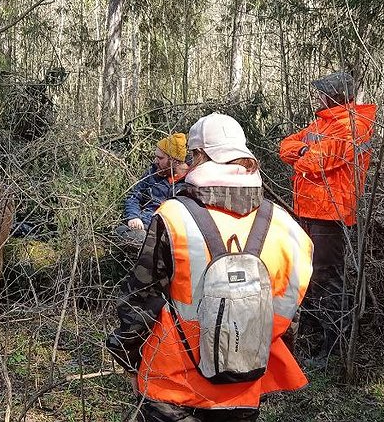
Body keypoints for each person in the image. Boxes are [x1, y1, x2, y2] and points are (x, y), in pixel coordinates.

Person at [107, 113, 313, 422]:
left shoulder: (174, 216)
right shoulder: (287, 228)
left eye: (191, 156)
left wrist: (123, 351)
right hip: (243, 387)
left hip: (171, 386)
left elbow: (140, 299)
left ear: (201, 155)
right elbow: (288, 318)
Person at [278, 71, 376, 356]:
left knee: (327, 278)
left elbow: (312, 162)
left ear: (333, 96)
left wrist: (305, 151)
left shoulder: (353, 126)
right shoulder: (324, 122)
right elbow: (285, 146)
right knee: (309, 274)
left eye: (321, 93)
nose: (317, 97)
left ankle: (335, 344)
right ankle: (315, 336)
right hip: (308, 209)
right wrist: (305, 150)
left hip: (331, 213)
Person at [117, 133, 188, 245]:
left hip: (170, 235)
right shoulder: (152, 173)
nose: (155, 161)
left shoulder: (189, 182)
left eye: (160, 158)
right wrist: (133, 216)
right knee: (121, 232)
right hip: (143, 225)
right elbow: (133, 196)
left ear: (174, 161)